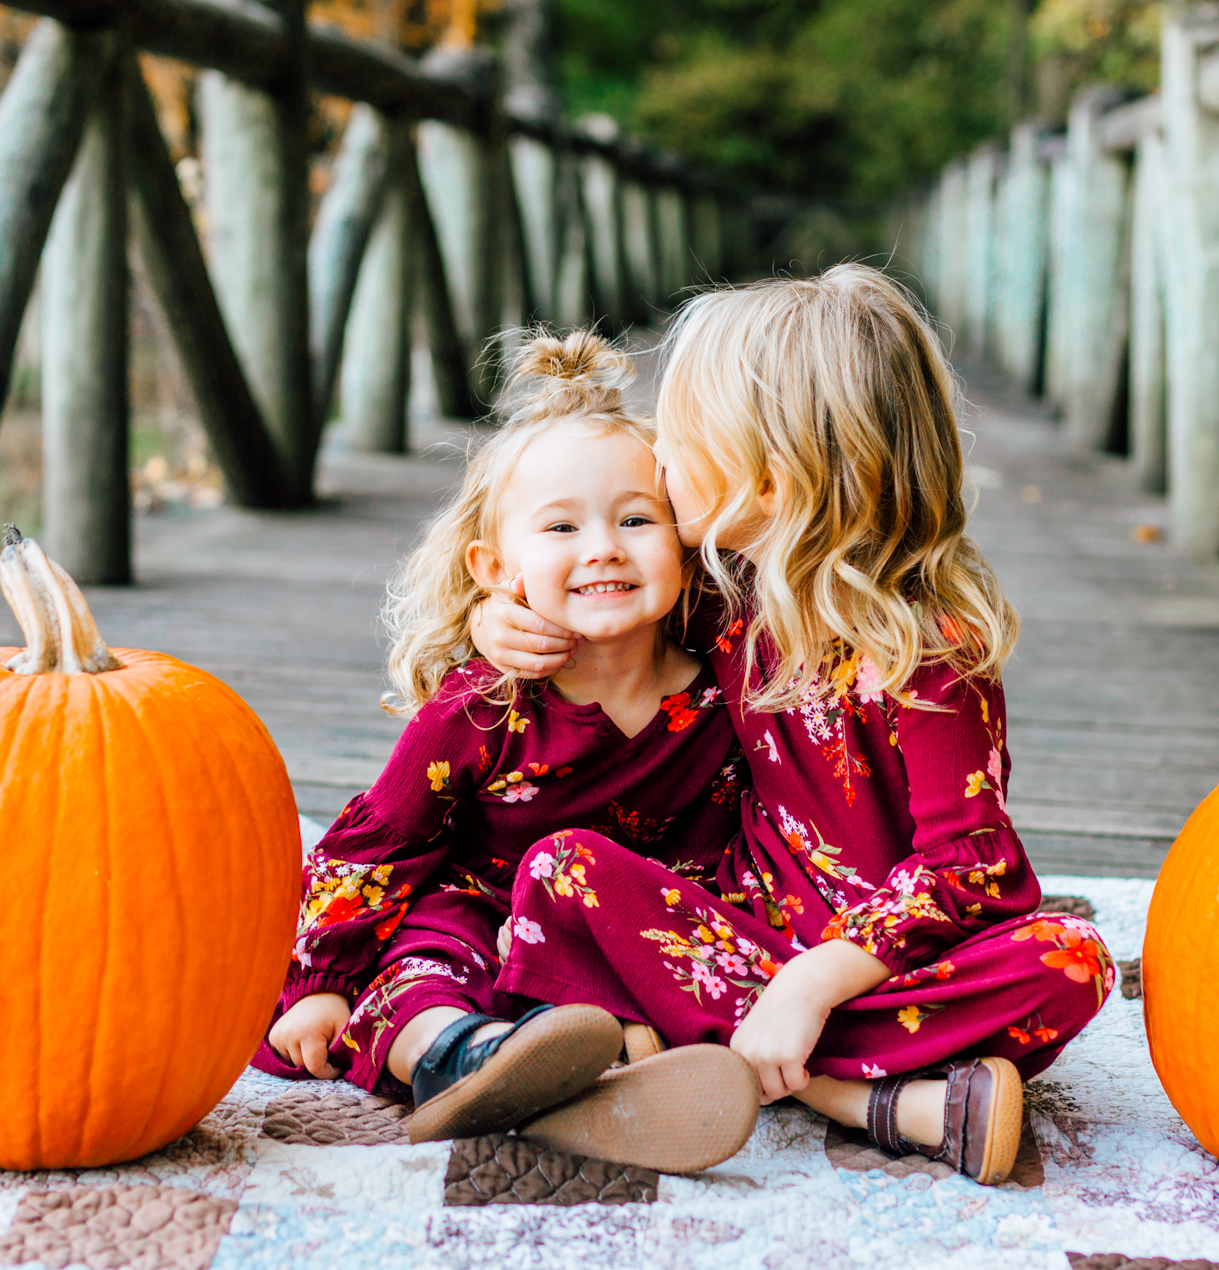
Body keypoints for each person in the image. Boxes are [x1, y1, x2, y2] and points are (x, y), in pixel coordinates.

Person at [471, 265, 1113, 1186]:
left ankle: (701, 1052)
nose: (658, 459)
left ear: (768, 474)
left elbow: (971, 868)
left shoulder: (927, 648)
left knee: (1071, 959)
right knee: (562, 869)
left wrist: (811, 986)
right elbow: (602, 606)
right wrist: (508, 619)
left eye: (681, 438)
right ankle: (868, 1098)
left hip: (891, 962)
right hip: (750, 918)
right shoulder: (728, 597)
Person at [253, 331, 759, 1174]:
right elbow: (378, 845)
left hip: (633, 932)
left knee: (681, 990)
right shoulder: (484, 705)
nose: (603, 545)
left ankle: (584, 1075)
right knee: (412, 975)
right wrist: (321, 982)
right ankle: (473, 1059)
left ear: (684, 542)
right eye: (561, 526)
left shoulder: (728, 684)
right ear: (496, 567)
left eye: (636, 519)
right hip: (476, 909)